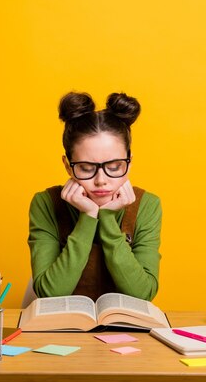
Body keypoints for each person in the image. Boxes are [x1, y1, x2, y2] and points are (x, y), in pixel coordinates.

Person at [27, 91, 162, 301]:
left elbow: (143, 293)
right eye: (86, 168)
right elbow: (49, 292)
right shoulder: (45, 203)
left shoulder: (147, 205)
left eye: (115, 166)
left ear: (129, 162)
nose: (101, 180)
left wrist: (107, 217)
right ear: (68, 166)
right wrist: (88, 217)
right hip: (60, 328)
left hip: (124, 329)